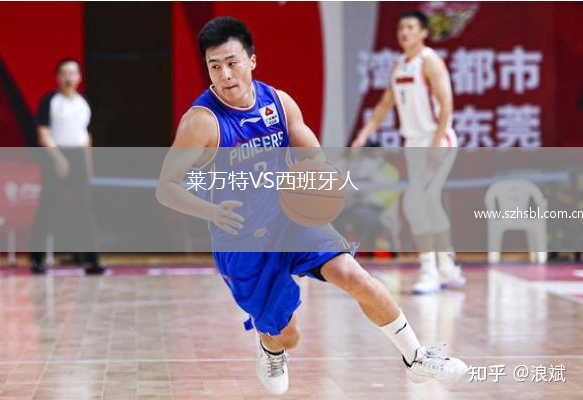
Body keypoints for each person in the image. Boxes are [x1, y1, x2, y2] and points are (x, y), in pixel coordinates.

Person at [157, 17, 468, 395]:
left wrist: (318, 181)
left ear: (252, 60)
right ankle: (270, 345)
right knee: (289, 336)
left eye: (232, 62)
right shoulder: (201, 122)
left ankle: (415, 357)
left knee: (355, 276)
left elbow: (315, 157)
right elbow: (166, 188)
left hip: (291, 218)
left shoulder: (278, 103)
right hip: (242, 239)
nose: (225, 74)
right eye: (214, 66)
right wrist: (211, 212)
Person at [353, 10, 465, 295]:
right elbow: (384, 106)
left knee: (416, 203)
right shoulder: (400, 65)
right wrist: (363, 136)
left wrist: (436, 144)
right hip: (414, 144)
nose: (404, 32)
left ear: (423, 32)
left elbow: (447, 105)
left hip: (437, 140)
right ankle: (448, 266)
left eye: (411, 27)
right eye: (401, 27)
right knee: (430, 203)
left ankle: (429, 270)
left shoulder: (430, 62)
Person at [30, 59, 104, 275]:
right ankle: (37, 259)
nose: (69, 78)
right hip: (55, 155)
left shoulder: (83, 102)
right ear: (57, 77)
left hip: (78, 157)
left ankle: (92, 261)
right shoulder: (50, 101)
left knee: (85, 210)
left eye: (73, 73)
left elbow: (86, 135)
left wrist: (88, 166)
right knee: (48, 208)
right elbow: (43, 133)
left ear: (79, 77)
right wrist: (58, 158)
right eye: (64, 73)